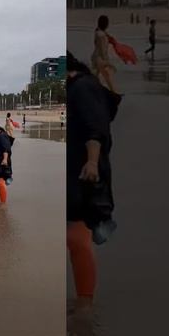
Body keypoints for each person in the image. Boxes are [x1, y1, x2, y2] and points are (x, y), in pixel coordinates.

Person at [66, 52, 120, 315]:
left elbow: (95, 128)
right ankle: (83, 301)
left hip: (85, 172)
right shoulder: (82, 86)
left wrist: (91, 161)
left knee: (77, 238)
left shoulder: (83, 87)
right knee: (76, 237)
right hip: (77, 170)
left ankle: (85, 306)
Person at [91, 15, 117, 93]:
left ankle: (94, 91)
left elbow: (103, 34)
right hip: (100, 58)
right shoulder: (101, 35)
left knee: (97, 76)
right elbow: (103, 49)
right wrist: (107, 61)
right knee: (107, 75)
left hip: (96, 57)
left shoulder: (98, 32)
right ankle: (113, 93)